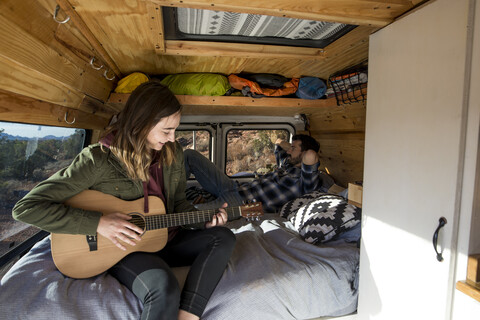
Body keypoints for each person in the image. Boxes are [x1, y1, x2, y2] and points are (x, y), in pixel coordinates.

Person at [12, 80, 236, 320]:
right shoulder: (98, 160)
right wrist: (98, 223)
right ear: (141, 123)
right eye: (166, 131)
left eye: (175, 130)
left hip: (166, 237)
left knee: (223, 236)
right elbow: (26, 208)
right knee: (163, 288)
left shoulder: (174, 154)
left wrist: (204, 221)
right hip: (125, 248)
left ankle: (188, 315)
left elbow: (178, 205)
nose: (173, 139)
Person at [184, 134, 321, 213]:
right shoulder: (286, 163)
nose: (289, 151)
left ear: (303, 152)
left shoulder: (306, 182)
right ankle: (175, 198)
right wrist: (293, 148)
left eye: (293, 148)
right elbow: (278, 142)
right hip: (233, 187)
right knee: (190, 156)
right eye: (290, 148)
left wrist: (301, 152)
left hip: (243, 205)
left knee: (189, 215)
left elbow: (311, 154)